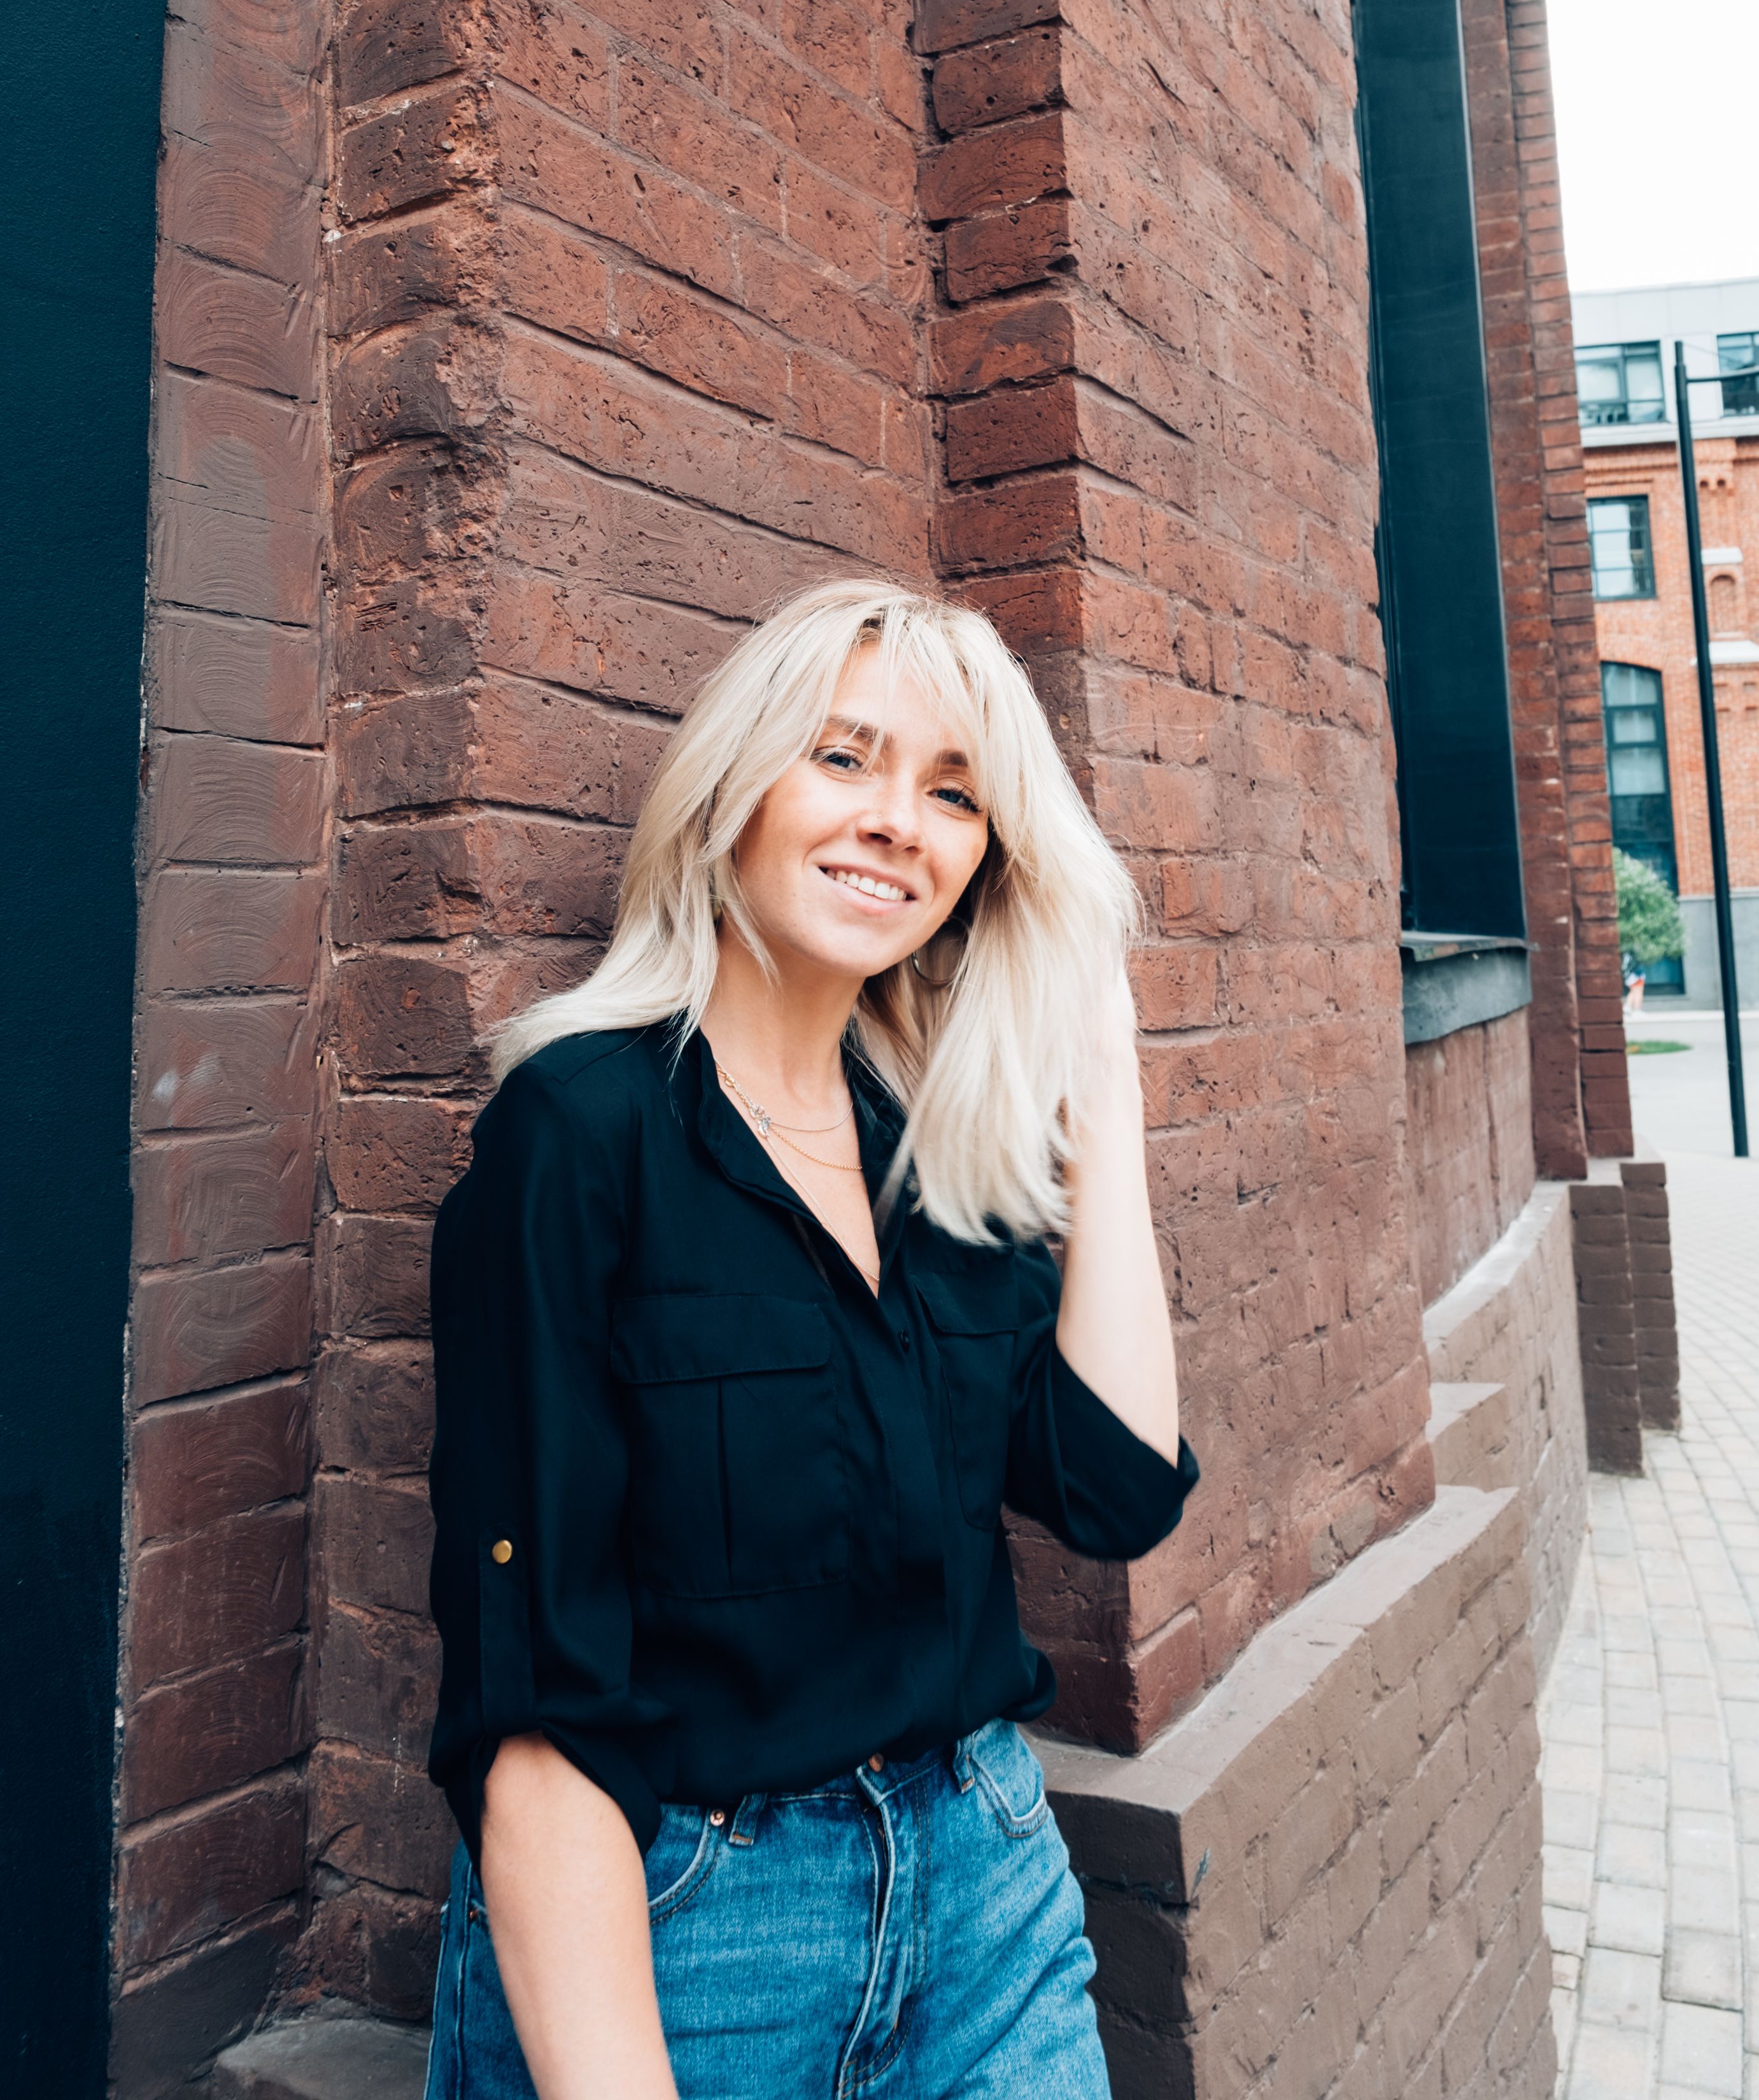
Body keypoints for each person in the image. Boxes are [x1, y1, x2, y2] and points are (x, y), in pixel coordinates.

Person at [423, 579, 1197, 2100]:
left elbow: (1118, 1490)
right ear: (733, 790)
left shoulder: (938, 1153)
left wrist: (1101, 1090)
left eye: (955, 793)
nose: (900, 820)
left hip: (988, 1892)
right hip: (695, 1926)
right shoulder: (579, 1136)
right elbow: (535, 1709)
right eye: (844, 759)